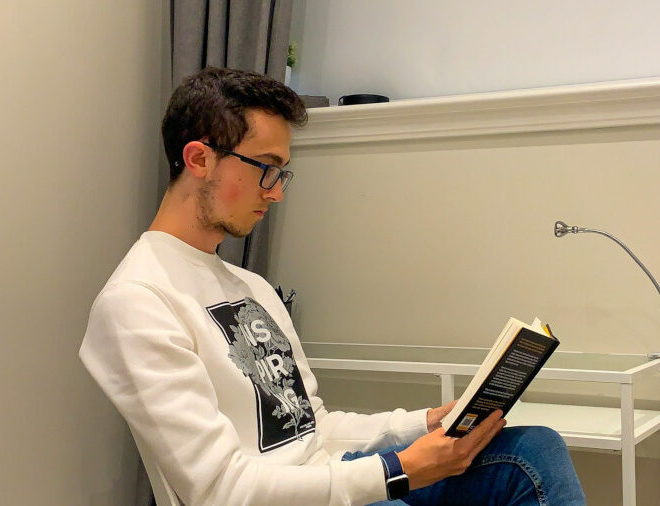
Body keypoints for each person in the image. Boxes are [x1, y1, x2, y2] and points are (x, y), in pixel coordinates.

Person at [80, 67, 585, 506]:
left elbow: (313, 428)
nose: (275, 193)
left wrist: (424, 424)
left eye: (282, 173)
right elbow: (220, 491)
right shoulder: (138, 302)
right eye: (265, 170)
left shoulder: (250, 286)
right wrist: (398, 471)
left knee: (535, 450)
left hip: (330, 473)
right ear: (199, 159)